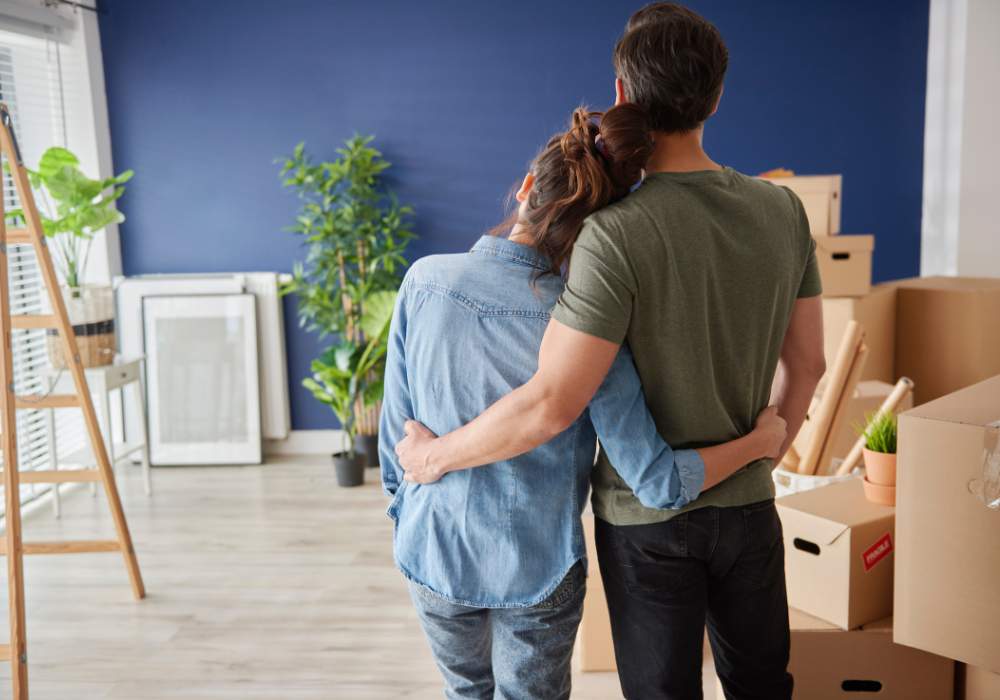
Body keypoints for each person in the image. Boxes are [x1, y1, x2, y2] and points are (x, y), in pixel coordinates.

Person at [394, 4, 826, 700]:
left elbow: (551, 402)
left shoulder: (611, 235)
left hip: (647, 526)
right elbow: (808, 366)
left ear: (622, 93)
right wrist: (763, 449)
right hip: (749, 509)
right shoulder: (783, 210)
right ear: (717, 95)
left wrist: (429, 459)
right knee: (762, 685)